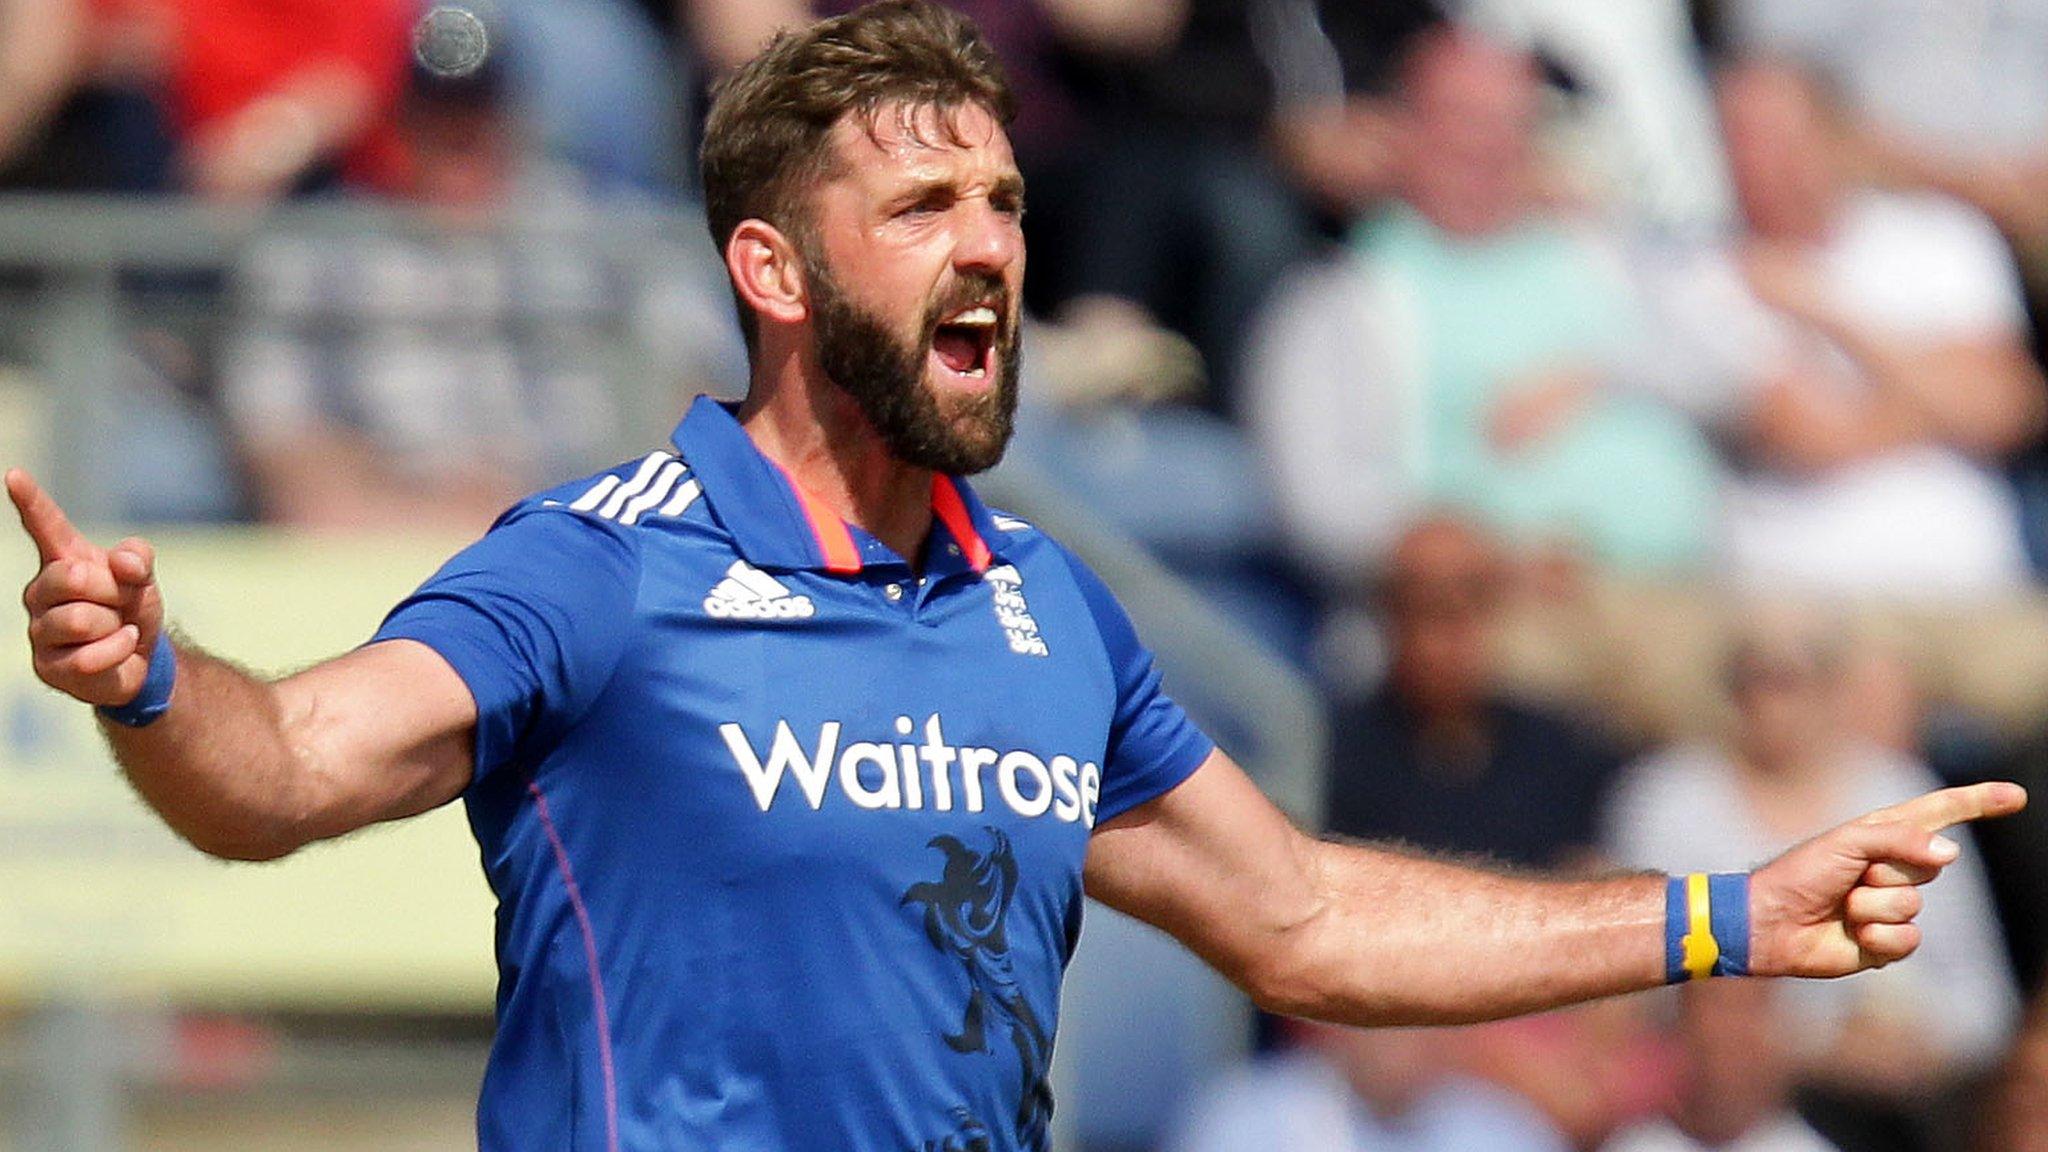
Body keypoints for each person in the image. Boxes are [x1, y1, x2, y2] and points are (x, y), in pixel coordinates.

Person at [1, 4, 2026, 1150]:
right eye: (919, 206)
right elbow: (279, 776)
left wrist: (1720, 915)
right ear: (772, 273)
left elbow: (1305, 920)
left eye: (1000, 199)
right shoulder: (600, 571)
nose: (987, 245)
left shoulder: (1048, 611)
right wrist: (161, 683)